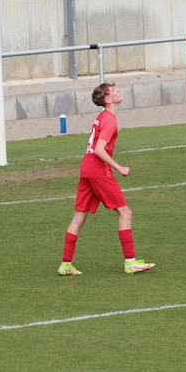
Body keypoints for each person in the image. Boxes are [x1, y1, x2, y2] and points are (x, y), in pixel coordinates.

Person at [58, 83, 155, 276]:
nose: (119, 90)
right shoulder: (110, 120)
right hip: (98, 171)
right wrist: (119, 167)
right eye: (114, 90)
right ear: (108, 100)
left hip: (86, 169)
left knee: (79, 218)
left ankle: (66, 265)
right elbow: (99, 149)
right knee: (125, 213)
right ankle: (130, 262)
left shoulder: (103, 117)